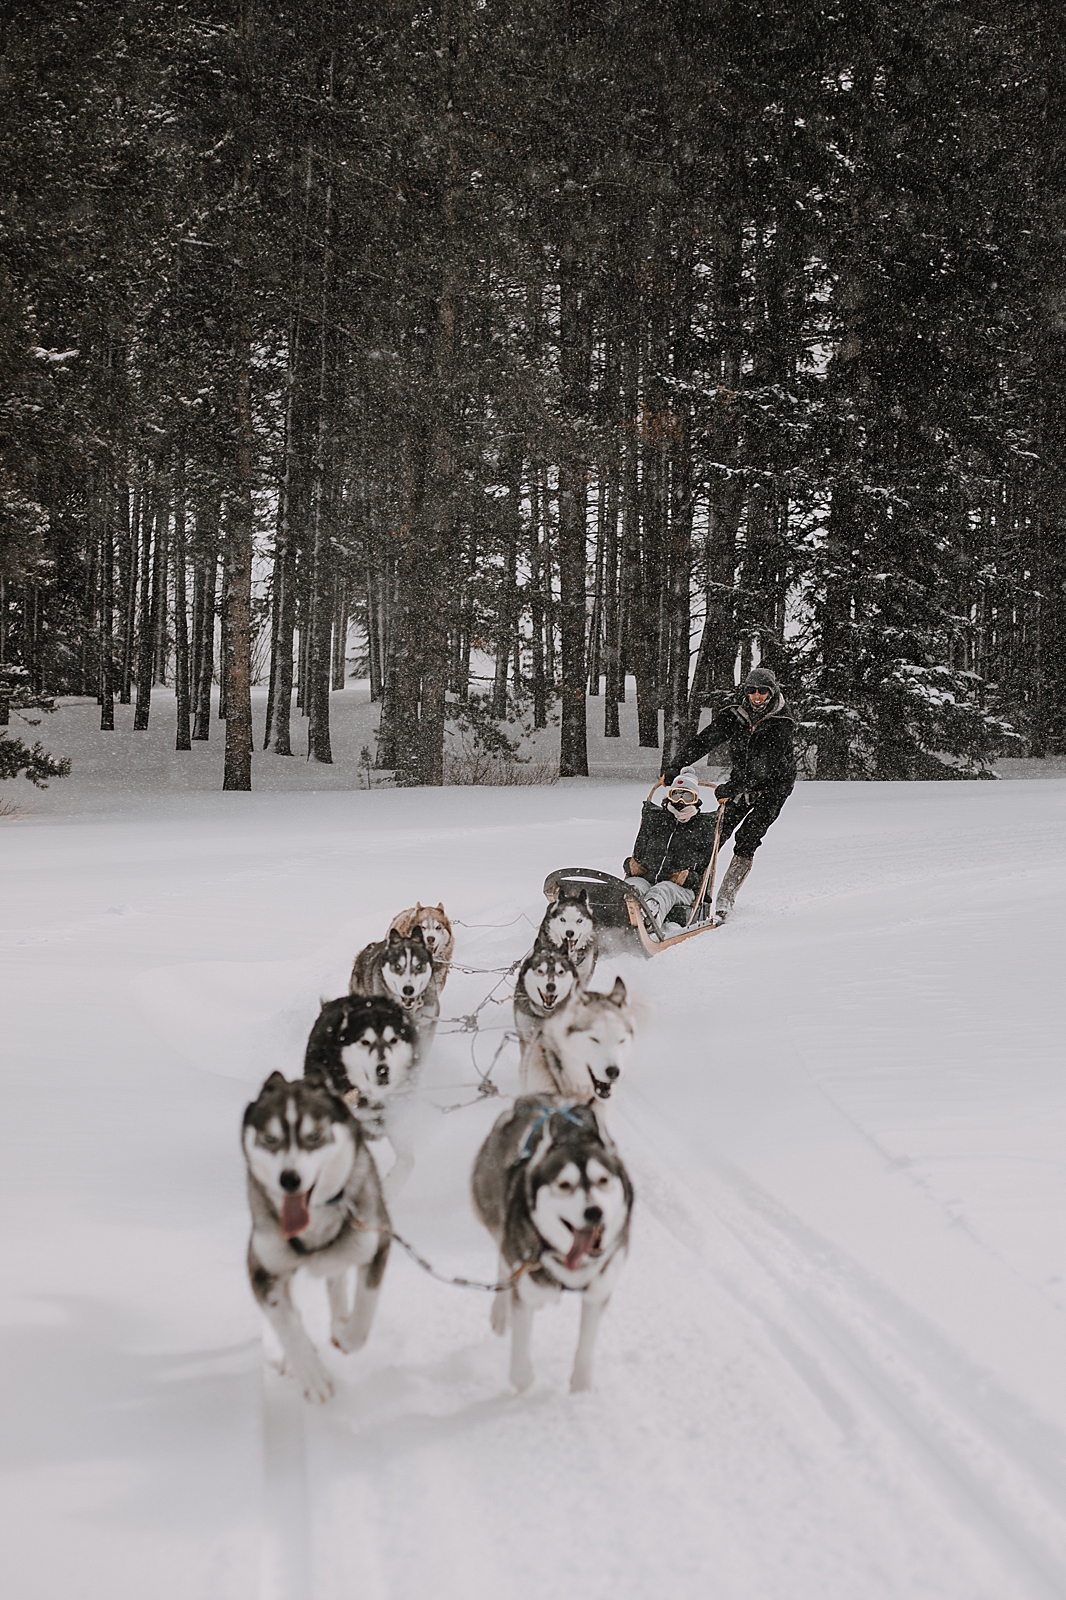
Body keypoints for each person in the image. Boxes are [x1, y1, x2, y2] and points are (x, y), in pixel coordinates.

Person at [664, 666, 796, 921]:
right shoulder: (736, 716)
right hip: (741, 783)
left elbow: (763, 767)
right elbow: (705, 740)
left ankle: (725, 900)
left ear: (772, 692)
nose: (757, 697)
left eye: (763, 692)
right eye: (752, 691)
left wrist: (731, 788)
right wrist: (675, 766)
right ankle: (695, 893)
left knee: (747, 838)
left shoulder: (782, 723)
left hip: (774, 788)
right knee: (716, 835)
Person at [623, 766, 721, 928]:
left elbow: (703, 873)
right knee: (632, 888)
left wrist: (687, 878)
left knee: (662, 890)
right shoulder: (655, 821)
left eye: (687, 796)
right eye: (676, 794)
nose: (680, 801)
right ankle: (617, 919)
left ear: (695, 799)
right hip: (647, 879)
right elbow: (637, 855)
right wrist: (630, 865)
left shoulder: (702, 828)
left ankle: (648, 923)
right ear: (670, 796)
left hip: (681, 889)